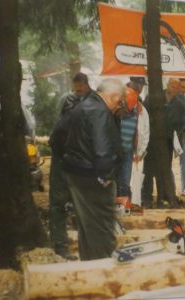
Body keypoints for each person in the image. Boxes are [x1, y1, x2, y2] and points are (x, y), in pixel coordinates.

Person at [62, 78, 124, 261]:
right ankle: (104, 266)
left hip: (77, 171)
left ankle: (89, 263)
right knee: (102, 224)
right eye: (119, 102)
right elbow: (103, 150)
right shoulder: (100, 112)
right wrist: (106, 177)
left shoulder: (84, 105)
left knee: (87, 224)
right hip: (91, 176)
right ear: (113, 97)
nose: (117, 107)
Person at [48, 72, 92, 260]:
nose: (77, 90)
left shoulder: (93, 102)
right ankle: (60, 245)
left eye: (80, 87)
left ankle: (84, 244)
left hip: (78, 159)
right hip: (64, 157)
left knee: (80, 203)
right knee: (59, 202)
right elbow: (57, 125)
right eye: (75, 87)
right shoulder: (67, 100)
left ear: (86, 84)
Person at [141, 78, 185, 208]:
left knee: (164, 170)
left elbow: (180, 124)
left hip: (167, 142)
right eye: (173, 85)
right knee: (148, 170)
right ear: (167, 85)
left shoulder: (180, 105)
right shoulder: (153, 97)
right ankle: (147, 198)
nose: (175, 88)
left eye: (177, 87)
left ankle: (161, 198)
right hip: (151, 140)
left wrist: (171, 132)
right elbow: (144, 115)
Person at [116, 80, 150, 210]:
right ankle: (114, 209)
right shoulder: (115, 107)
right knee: (113, 181)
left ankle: (125, 209)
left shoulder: (141, 111)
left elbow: (144, 132)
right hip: (114, 150)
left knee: (125, 181)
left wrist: (140, 152)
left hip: (128, 151)